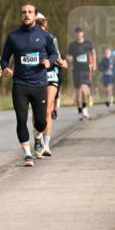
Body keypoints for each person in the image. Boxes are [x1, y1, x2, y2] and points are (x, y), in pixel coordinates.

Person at [0, 2, 59, 167]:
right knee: (21, 119)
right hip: (20, 84)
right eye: (23, 12)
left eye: (29, 12)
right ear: (21, 15)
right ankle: (27, 154)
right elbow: (5, 58)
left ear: (35, 15)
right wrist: (5, 68)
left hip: (40, 83)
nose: (26, 15)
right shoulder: (13, 36)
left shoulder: (45, 35)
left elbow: (54, 53)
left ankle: (38, 135)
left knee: (41, 122)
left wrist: (50, 61)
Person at [35, 13, 68, 157]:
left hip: (51, 74)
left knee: (47, 109)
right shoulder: (28, 39)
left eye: (41, 23)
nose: (39, 26)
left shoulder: (51, 38)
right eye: (37, 24)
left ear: (45, 25)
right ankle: (38, 138)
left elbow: (58, 57)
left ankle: (47, 145)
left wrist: (61, 62)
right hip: (36, 75)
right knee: (38, 111)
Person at [67, 26, 95, 120]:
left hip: (86, 69)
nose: (78, 34)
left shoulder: (88, 43)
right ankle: (80, 109)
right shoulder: (72, 45)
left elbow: (93, 52)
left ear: (83, 33)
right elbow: (69, 56)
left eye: (80, 32)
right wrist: (69, 60)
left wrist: (94, 63)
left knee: (84, 88)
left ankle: (84, 109)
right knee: (78, 93)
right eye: (77, 32)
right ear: (75, 34)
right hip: (76, 70)